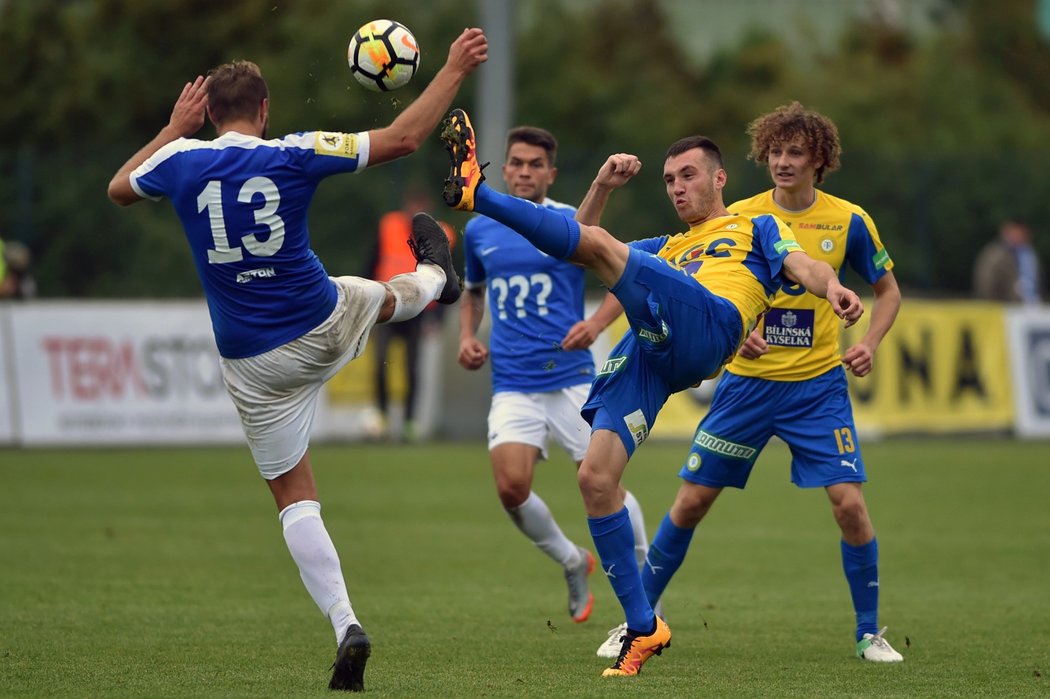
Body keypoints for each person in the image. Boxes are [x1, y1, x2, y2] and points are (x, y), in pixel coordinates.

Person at [106, 29, 488, 692]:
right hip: (319, 321)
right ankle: (436, 281)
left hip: (252, 364)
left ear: (209, 113)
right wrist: (454, 67)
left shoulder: (181, 162)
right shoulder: (294, 150)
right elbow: (401, 138)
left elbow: (117, 187)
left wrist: (171, 129)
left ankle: (345, 623)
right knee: (377, 293)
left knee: (293, 497)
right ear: (264, 107)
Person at [439, 108, 864, 677]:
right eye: (669, 180)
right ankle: (644, 627)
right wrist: (600, 186)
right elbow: (573, 245)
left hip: (711, 323)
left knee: (617, 254)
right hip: (660, 352)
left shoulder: (752, 227)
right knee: (595, 479)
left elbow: (804, 266)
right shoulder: (670, 244)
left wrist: (833, 285)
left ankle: (478, 193)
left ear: (719, 179)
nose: (677, 187)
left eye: (688, 175)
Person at [594, 101, 905, 663]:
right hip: (746, 385)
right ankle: (634, 622)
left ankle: (868, 632)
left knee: (849, 506)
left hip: (816, 389)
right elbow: (715, 286)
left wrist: (869, 344)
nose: (783, 162)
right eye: (775, 152)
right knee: (689, 503)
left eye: (796, 153)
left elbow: (888, 292)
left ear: (820, 160)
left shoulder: (849, 220)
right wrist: (738, 333)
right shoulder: (739, 214)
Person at [458, 125, 652, 625]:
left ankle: (648, 590)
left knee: (605, 484)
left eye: (535, 164)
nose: (524, 172)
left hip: (571, 380)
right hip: (514, 383)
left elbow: (623, 276)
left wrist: (595, 323)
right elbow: (474, 289)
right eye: (517, 163)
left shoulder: (570, 219)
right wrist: (467, 335)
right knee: (510, 489)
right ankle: (572, 560)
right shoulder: (480, 228)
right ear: (504, 170)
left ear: (551, 173)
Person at [366, 187, 456, 441]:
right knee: (380, 363)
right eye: (412, 205)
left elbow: (448, 280)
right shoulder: (389, 225)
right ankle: (381, 416)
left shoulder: (442, 234)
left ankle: (409, 422)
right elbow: (371, 262)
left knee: (412, 368)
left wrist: (438, 317)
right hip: (385, 305)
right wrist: (365, 301)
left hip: (418, 311)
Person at [973, 217, 1043, 304]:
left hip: (1031, 307)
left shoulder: (1029, 254)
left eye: (1021, 233)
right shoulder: (994, 255)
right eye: (1015, 232)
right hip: (1004, 308)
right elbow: (985, 285)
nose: (1018, 236)